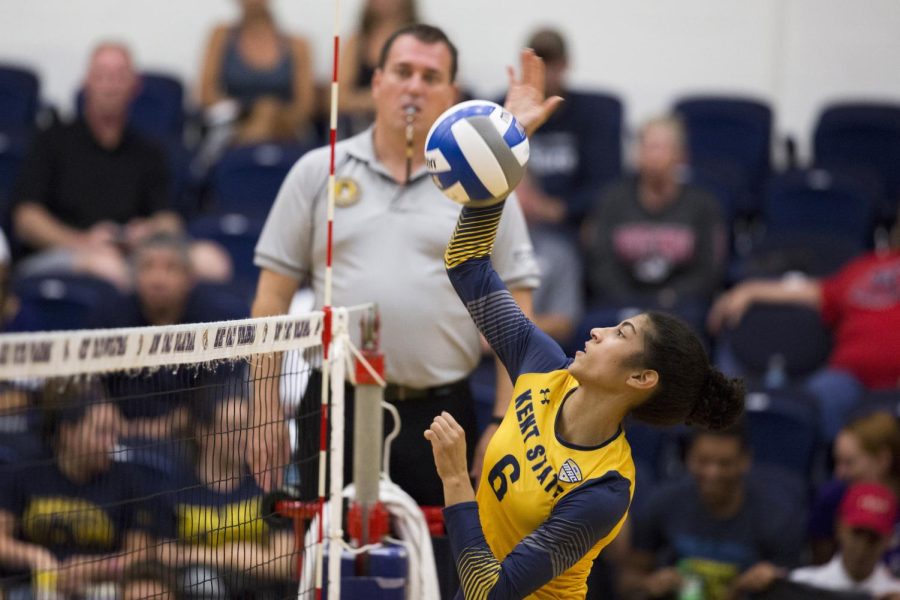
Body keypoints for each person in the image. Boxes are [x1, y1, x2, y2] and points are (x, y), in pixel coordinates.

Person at [250, 24, 553, 503]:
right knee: (324, 566)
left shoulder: (485, 181)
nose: (414, 86)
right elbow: (271, 297)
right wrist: (263, 405)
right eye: (402, 71)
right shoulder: (317, 170)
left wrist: (503, 420)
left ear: (451, 93)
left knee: (435, 565)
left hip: (441, 416)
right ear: (376, 83)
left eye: (431, 77)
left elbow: (516, 308)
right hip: (333, 404)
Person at [424, 198, 744, 597]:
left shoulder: (604, 489)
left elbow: (490, 592)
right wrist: (488, 192)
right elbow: (466, 263)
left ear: (642, 378)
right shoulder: (541, 364)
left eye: (620, 334)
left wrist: (455, 480)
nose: (598, 332)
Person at [707, 215, 900, 440]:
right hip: (848, 377)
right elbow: (812, 292)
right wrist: (749, 290)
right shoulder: (863, 267)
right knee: (814, 399)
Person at [10, 42, 182, 292]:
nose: (110, 86)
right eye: (102, 76)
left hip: (130, 255)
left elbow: (170, 220)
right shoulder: (52, 140)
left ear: (135, 86)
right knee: (110, 266)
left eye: (118, 77)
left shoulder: (148, 151)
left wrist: (146, 233)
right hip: (62, 255)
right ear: (86, 83)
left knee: (207, 261)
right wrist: (82, 242)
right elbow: (26, 218)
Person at [0, 382, 150, 598]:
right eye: (101, 433)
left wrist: (95, 568)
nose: (111, 443)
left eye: (113, 433)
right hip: (31, 588)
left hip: (101, 589)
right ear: (68, 432)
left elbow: (141, 555)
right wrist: (34, 556)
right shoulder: (25, 473)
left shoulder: (128, 479)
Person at [616, 426, 802, 600]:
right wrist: (651, 584)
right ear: (688, 458)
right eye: (703, 461)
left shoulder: (777, 516)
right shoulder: (664, 502)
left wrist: (772, 581)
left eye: (724, 463)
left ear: (745, 461)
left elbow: (797, 585)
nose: (712, 473)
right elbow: (627, 579)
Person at [91, 232, 245, 440]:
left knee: (233, 413)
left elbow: (219, 387)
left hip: (190, 435)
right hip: (114, 433)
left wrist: (173, 424)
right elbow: (90, 380)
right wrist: (106, 413)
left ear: (189, 278)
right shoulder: (111, 315)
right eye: (148, 267)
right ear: (135, 275)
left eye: (170, 268)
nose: (158, 279)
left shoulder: (212, 321)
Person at [583, 115, 727, 332]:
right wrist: (630, 298)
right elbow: (601, 263)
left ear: (681, 155)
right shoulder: (613, 200)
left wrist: (670, 297)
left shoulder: (703, 205)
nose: (653, 156)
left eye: (661, 148)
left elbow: (708, 270)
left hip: (681, 304)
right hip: (619, 301)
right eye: (647, 147)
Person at [151, 389, 294, 598]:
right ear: (204, 433)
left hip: (261, 592)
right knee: (200, 580)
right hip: (199, 589)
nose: (242, 437)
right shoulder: (175, 489)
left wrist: (202, 554)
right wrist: (240, 555)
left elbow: (284, 563)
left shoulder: (268, 485)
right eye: (232, 428)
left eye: (247, 427)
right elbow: (166, 556)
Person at [513, 28, 622, 232]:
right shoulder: (505, 109)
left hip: (569, 225)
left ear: (565, 64)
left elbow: (607, 183)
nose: (545, 73)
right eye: (538, 64)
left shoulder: (591, 114)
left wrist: (564, 209)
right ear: (526, 66)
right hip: (512, 221)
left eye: (552, 63)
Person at [737, 482, 900, 599]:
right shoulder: (802, 582)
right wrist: (741, 587)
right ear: (840, 527)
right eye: (857, 533)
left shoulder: (894, 592)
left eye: (873, 538)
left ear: (888, 540)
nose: (862, 546)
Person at [198, 0, 315, 144]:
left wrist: (274, 117)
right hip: (234, 125)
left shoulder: (297, 45)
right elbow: (206, 93)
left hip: (283, 128)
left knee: (267, 111)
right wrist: (246, 114)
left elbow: (305, 105)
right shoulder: (222, 36)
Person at [808, 412, 900, 569]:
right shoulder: (832, 497)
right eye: (837, 461)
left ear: (882, 460)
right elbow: (821, 566)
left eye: (849, 463)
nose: (839, 473)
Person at [336, 0, 419, 134]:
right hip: (360, 129)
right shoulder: (356, 43)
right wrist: (385, 100)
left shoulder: (424, 44)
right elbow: (338, 99)